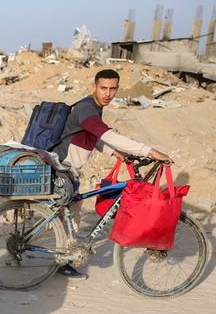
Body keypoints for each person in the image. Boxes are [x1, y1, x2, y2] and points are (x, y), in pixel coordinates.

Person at [53, 68, 173, 279]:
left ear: (117, 89)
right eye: (103, 88)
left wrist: (116, 153)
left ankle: (63, 258)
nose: (107, 93)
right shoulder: (87, 109)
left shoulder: (93, 107)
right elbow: (109, 135)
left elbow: (94, 137)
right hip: (64, 167)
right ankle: (61, 261)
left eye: (112, 89)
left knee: (72, 214)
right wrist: (150, 151)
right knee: (69, 216)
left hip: (69, 168)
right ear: (94, 87)